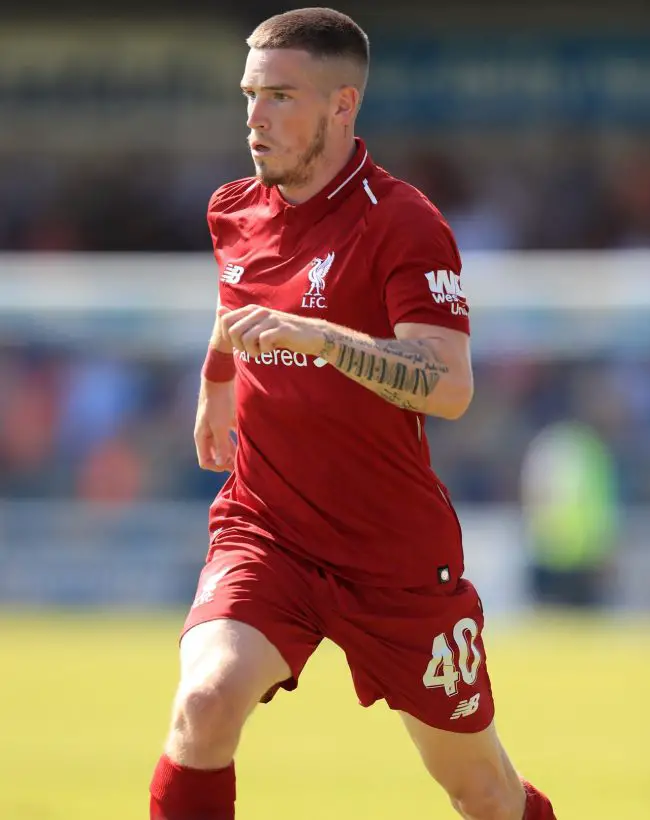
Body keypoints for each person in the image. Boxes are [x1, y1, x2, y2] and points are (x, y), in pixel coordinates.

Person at [149, 9, 556, 820]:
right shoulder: (234, 209)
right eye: (249, 95)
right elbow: (237, 301)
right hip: (269, 532)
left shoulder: (403, 222)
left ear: (343, 105)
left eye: (280, 96)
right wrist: (216, 377)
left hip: (393, 557)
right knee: (205, 701)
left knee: (482, 790)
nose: (255, 117)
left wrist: (323, 338)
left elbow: (448, 384)